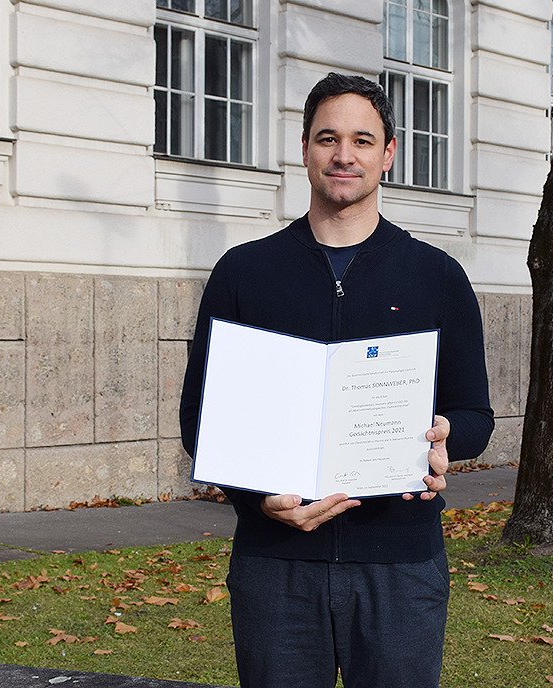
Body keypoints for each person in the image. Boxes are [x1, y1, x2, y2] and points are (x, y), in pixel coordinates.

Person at [178, 72, 494, 688]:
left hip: (400, 565)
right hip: (276, 566)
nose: (343, 155)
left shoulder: (437, 276)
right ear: (303, 150)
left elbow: (475, 413)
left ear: (389, 153)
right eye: (327, 138)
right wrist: (255, 499)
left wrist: (446, 437)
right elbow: (200, 420)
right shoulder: (244, 272)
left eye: (362, 140)